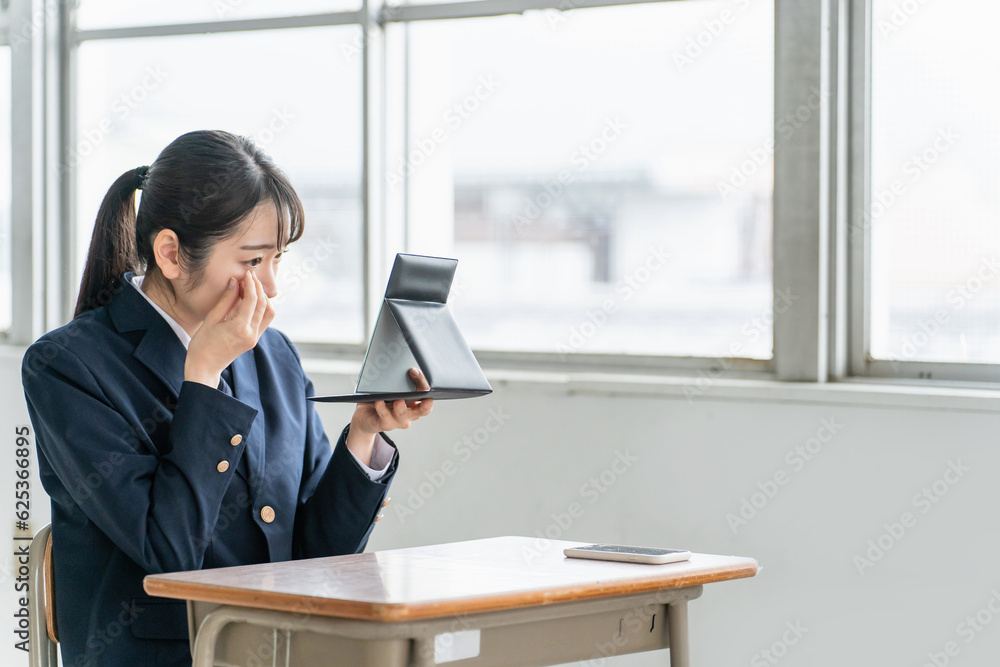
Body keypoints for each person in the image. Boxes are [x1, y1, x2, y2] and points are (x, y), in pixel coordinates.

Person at [20, 130, 434, 666]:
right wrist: (205, 375)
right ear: (170, 253)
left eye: (277, 260)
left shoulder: (274, 355)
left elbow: (315, 558)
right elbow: (167, 552)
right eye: (252, 261)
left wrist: (365, 432)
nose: (271, 287)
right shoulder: (67, 367)